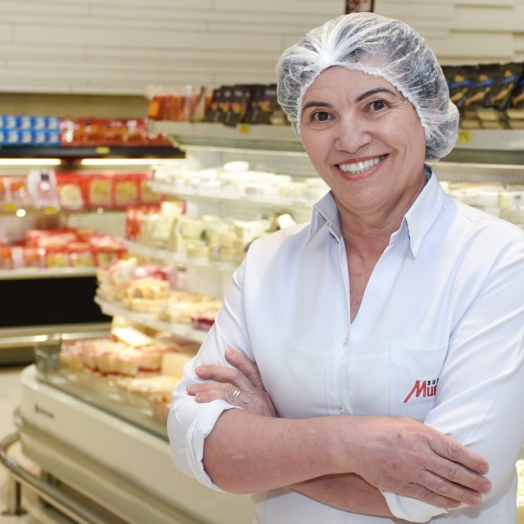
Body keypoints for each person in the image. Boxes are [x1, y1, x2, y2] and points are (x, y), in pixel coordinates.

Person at [168, 12, 524, 523]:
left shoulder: (499, 262)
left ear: (425, 114)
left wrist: (270, 441)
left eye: (376, 105)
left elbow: (453, 483)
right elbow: (194, 441)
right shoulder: (268, 263)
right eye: (320, 115)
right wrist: (350, 445)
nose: (350, 138)